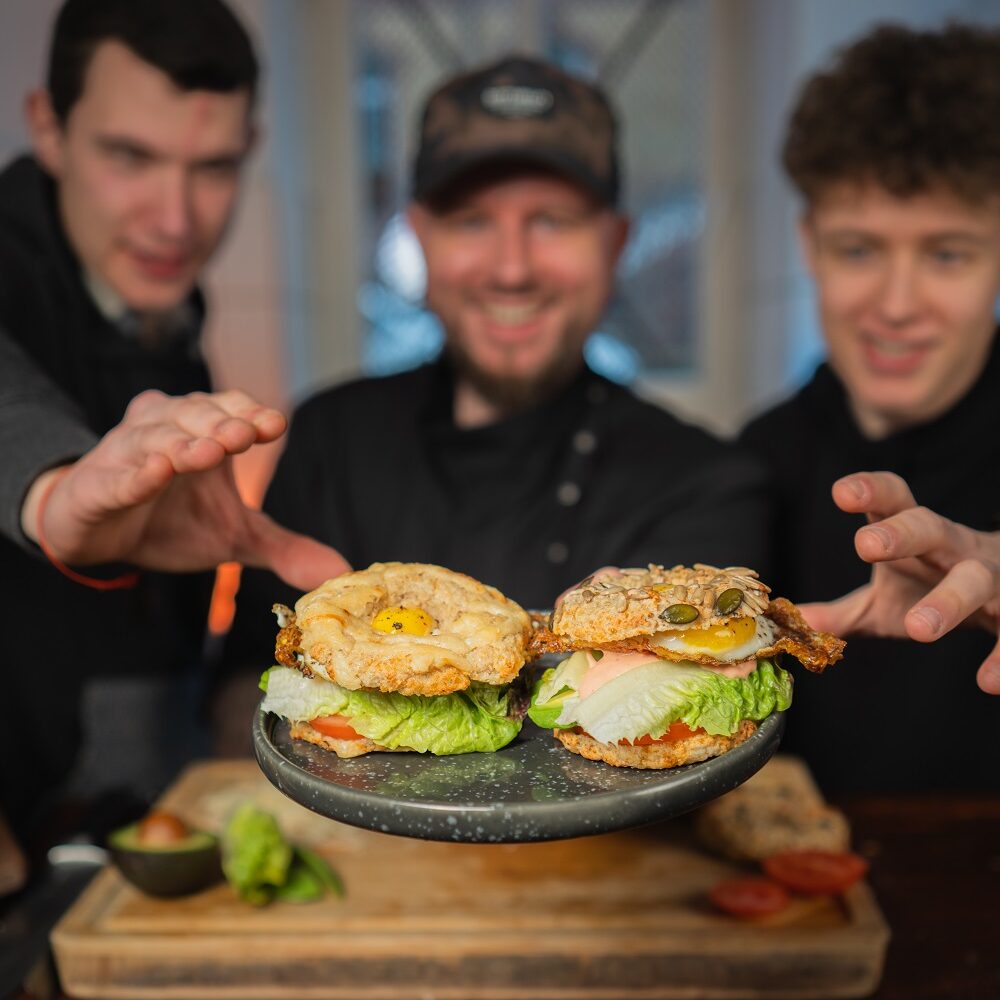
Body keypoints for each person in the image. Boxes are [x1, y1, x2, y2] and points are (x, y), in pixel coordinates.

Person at [214, 56, 770, 734]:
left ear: (615, 244)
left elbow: (683, 743)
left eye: (553, 221)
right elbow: (244, 689)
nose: (511, 268)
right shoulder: (332, 437)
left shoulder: (705, 482)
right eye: (472, 220)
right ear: (421, 237)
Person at [0, 0, 348, 880]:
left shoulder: (162, 309)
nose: (175, 217)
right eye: (130, 157)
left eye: (215, 167)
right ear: (47, 126)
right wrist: (53, 492)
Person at [740, 23, 1000, 792]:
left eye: (947, 254)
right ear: (809, 245)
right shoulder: (753, 462)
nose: (895, 305)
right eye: (859, 249)